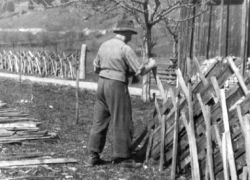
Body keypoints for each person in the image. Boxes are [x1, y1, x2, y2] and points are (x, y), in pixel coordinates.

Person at [87, 17, 157, 166]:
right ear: (126, 33)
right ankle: (123, 158)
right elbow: (140, 71)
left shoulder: (104, 45)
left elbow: (96, 68)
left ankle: (93, 155)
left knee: (99, 121)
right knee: (122, 120)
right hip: (116, 85)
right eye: (131, 34)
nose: (131, 37)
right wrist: (151, 65)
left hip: (101, 84)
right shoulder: (125, 48)